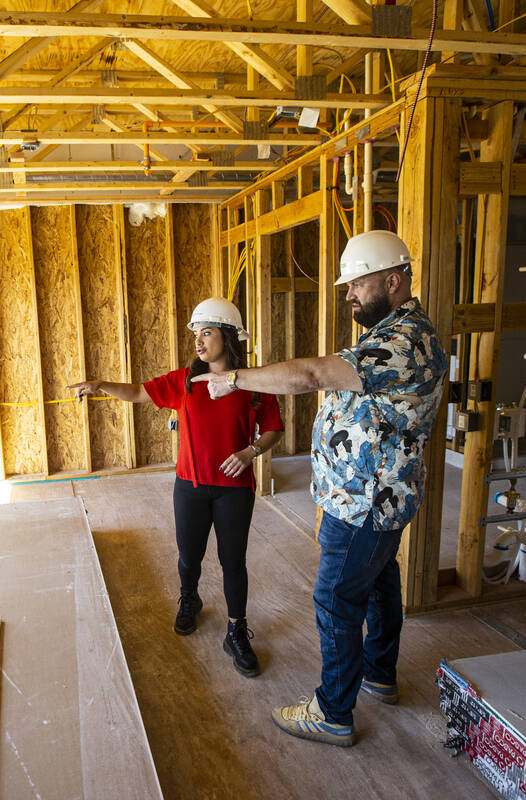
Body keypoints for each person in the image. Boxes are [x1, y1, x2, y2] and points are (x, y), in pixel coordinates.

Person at [192, 230, 448, 746]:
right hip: (370, 497)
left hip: (366, 502)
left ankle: (333, 711)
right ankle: (378, 674)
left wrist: (237, 379)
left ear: (393, 281)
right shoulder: (393, 332)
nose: (348, 294)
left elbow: (311, 374)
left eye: (357, 284)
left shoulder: (403, 343)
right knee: (378, 585)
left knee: (335, 598)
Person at [69, 297, 283, 677]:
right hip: (190, 486)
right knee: (189, 557)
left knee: (233, 562)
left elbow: (273, 429)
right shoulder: (184, 382)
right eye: (196, 334)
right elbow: (138, 392)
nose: (198, 342)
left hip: (235, 489)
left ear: (229, 337)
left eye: (207, 333)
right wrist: (101, 384)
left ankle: (236, 631)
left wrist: (251, 452)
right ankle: (190, 599)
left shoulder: (252, 383)